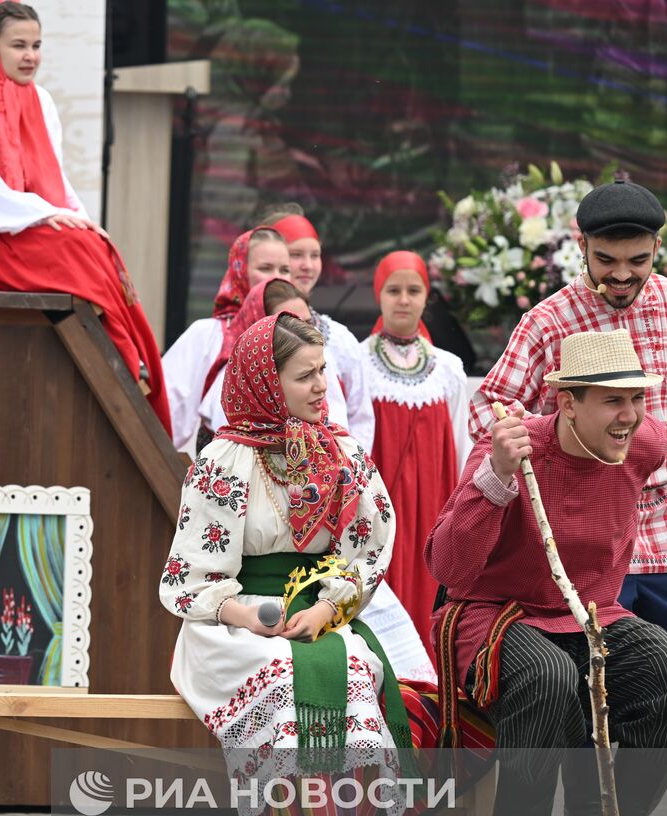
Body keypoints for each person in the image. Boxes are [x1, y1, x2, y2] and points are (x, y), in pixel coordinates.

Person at [469, 178, 667, 816]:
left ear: (659, 250)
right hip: (579, 523)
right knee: (580, 676)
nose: (621, 277)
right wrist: (543, 440)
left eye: (637, 260)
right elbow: (490, 406)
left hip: (662, 514)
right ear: (582, 250)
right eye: (606, 261)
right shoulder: (550, 317)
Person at [428, 329, 667, 816]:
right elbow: (448, 568)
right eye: (612, 401)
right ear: (567, 403)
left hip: (589, 613)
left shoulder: (642, 444)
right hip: (495, 613)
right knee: (550, 677)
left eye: (637, 400)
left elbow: (637, 451)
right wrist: (498, 479)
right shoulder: (507, 449)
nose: (629, 416)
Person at [161, 313, 416, 816]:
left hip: (318, 610)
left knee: (350, 667)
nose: (322, 386)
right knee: (279, 673)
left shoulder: (341, 455)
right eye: (305, 376)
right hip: (232, 622)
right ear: (265, 382)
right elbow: (188, 577)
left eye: (323, 371)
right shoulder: (221, 463)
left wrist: (332, 608)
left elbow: (367, 549)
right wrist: (245, 613)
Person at [0, 0, 171, 434]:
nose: (30, 55)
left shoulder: (40, 100)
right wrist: (48, 215)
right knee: (77, 253)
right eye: (18, 46)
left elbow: (56, 180)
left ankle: (128, 360)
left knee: (92, 246)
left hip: (12, 221)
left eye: (36, 45)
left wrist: (77, 218)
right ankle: (122, 362)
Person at [362, 251, 471, 650]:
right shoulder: (357, 363)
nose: (403, 299)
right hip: (378, 502)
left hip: (433, 504)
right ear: (379, 295)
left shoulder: (448, 368)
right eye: (394, 290)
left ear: (427, 296)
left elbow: (461, 439)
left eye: (413, 290)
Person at [162, 225, 289, 453]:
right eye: (266, 268)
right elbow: (167, 412)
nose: (277, 278)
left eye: (285, 269)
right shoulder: (206, 335)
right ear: (240, 272)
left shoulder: (305, 337)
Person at [269, 211, 374, 451]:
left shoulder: (340, 338)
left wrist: (353, 463)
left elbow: (360, 414)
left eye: (315, 255)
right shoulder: (254, 334)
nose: (307, 265)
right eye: (296, 255)